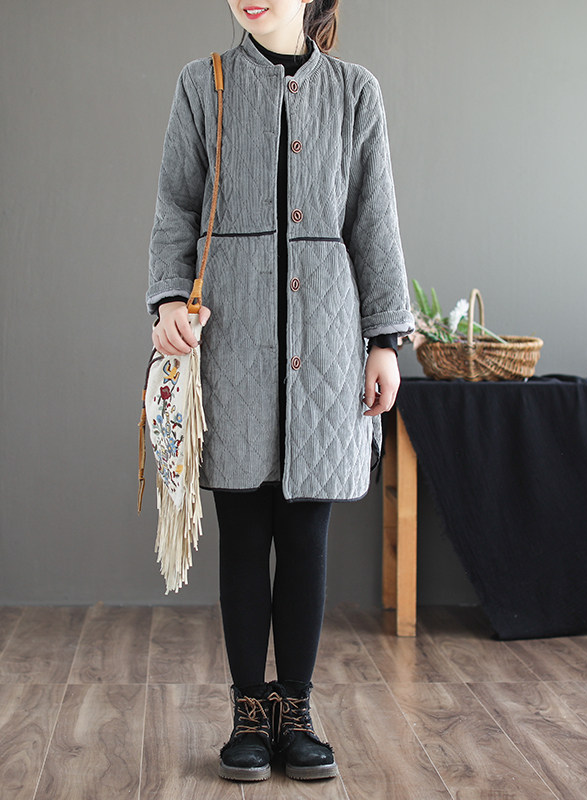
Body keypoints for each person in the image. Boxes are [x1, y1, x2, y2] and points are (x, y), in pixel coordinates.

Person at [146, 0, 414, 783]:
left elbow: (375, 218)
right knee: (242, 532)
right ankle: (247, 713)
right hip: (230, 339)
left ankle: (295, 710)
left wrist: (384, 341)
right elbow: (176, 204)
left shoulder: (355, 92)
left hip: (327, 342)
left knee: (305, 535)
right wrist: (168, 300)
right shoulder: (203, 84)